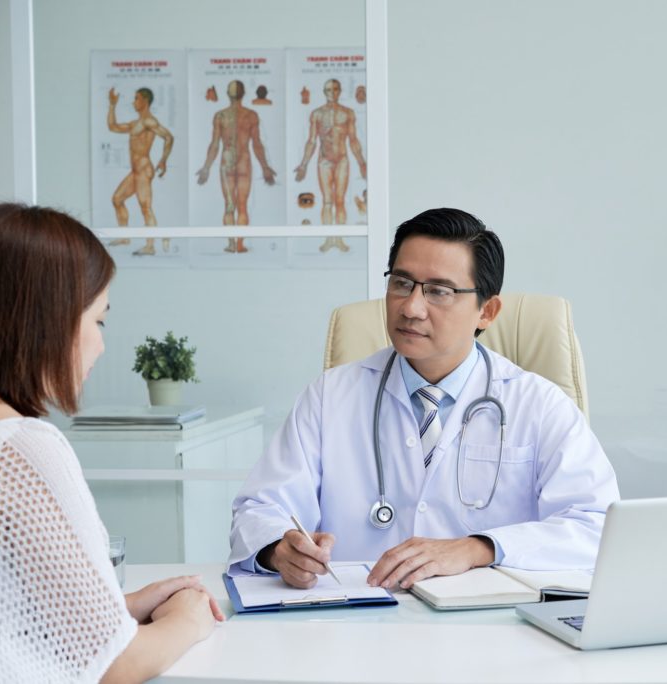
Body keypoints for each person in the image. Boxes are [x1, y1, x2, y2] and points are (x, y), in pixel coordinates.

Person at [229, 208, 619, 591]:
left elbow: (597, 526)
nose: (411, 308)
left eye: (438, 291)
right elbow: (260, 508)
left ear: (487, 310)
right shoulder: (331, 395)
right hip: (356, 626)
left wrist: (479, 547)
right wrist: (279, 550)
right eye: (401, 283)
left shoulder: (538, 404)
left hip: (492, 629)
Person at [0, 203, 224, 682]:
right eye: (98, 320)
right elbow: (116, 666)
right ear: (46, 320)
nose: (101, 345)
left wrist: (117, 607)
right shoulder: (20, 450)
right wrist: (190, 618)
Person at [195, 80, 277, 254]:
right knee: (241, 205)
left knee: (229, 205)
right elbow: (256, 144)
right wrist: (265, 167)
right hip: (243, 162)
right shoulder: (249, 115)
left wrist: (207, 167)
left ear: (227, 92)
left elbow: (216, 144)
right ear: (244, 93)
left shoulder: (221, 115)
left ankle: (232, 243)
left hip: (227, 161)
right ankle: (238, 244)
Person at [293, 78, 366, 254]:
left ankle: (339, 240)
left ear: (339, 91)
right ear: (324, 92)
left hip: (342, 159)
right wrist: (303, 165)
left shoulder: (347, 113)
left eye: (335, 89)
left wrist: (362, 163)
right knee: (327, 201)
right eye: (328, 90)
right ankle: (328, 239)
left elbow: (353, 140)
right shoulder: (317, 114)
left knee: (339, 200)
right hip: (324, 161)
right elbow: (311, 141)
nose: (332, 92)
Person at [107, 87, 174, 257]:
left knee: (145, 207)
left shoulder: (149, 122)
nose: (133, 102)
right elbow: (112, 127)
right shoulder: (134, 123)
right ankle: (124, 237)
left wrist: (163, 160)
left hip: (144, 169)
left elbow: (168, 137)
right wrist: (112, 105)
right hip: (135, 171)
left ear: (145, 101)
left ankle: (150, 246)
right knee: (117, 199)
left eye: (136, 98)